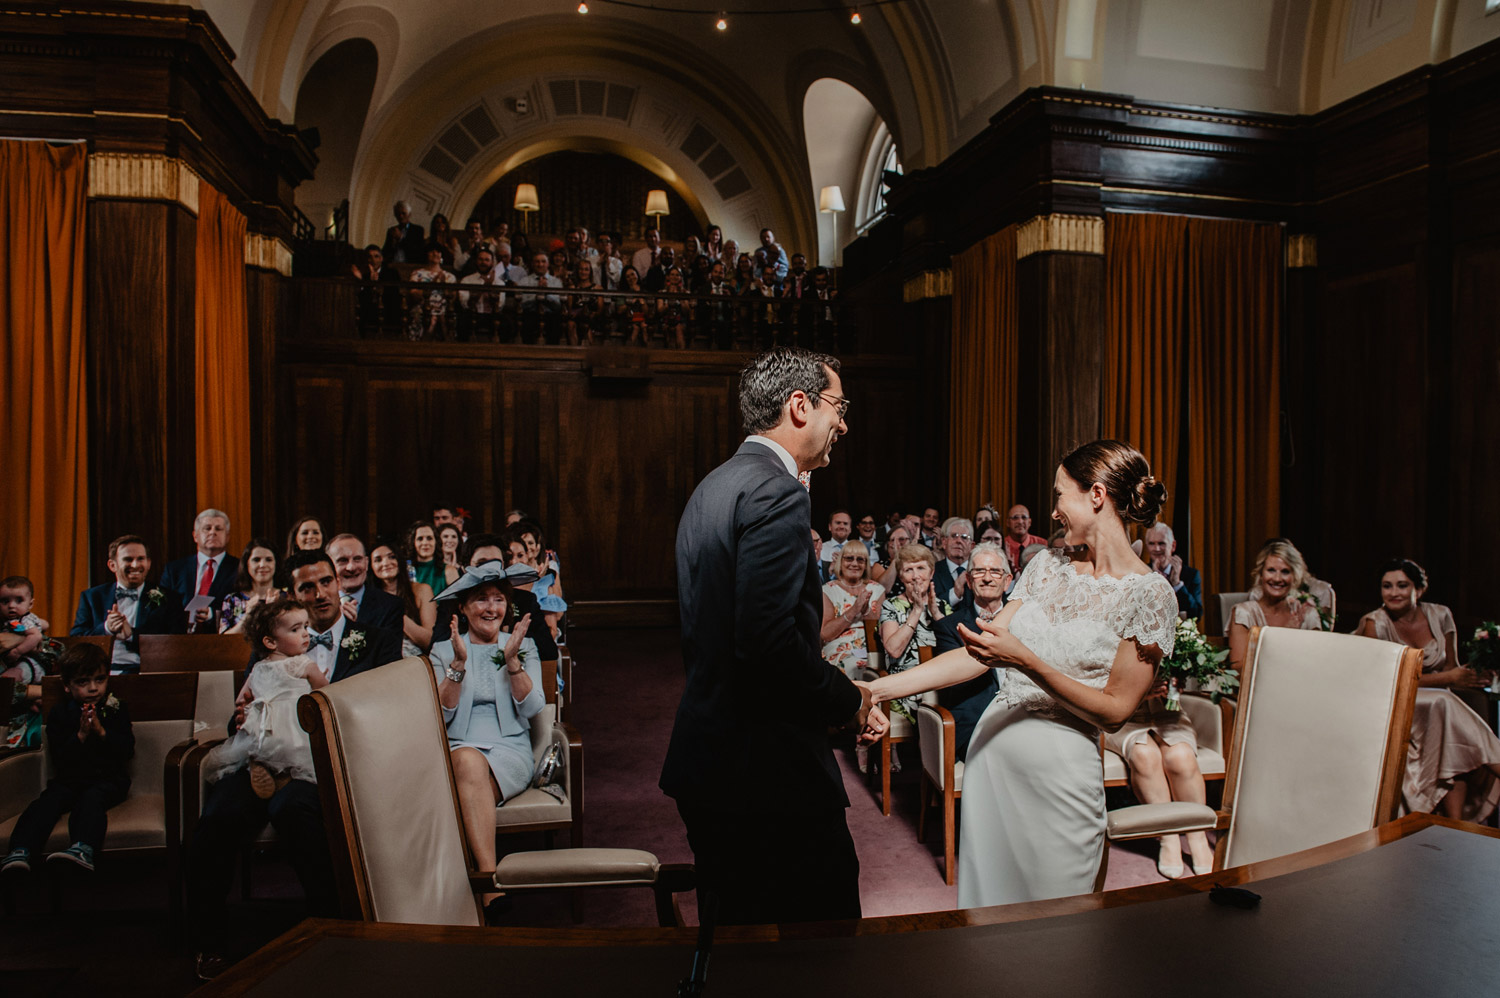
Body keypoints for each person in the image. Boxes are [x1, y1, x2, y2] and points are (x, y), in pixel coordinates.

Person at [869, 440, 1176, 908]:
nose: (1052, 512)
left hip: (1062, 772)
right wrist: (876, 690)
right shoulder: (1046, 568)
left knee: (1062, 921)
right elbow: (979, 653)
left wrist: (1025, 660)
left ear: (1096, 495)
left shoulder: (1149, 595)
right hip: (993, 757)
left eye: (1059, 495)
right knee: (989, 914)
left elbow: (1114, 712)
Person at [661, 346, 886, 926]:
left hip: (711, 753)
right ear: (799, 405)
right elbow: (768, 646)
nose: (844, 421)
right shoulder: (778, 492)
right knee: (820, 945)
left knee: (739, 940)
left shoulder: (714, 486)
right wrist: (850, 698)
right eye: (839, 405)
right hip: (765, 773)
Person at [186, 550, 399, 980]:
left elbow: (385, 709)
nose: (319, 593)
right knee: (218, 815)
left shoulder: (376, 639)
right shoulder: (273, 646)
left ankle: (331, 927)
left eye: (325, 581)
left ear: (339, 582)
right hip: (263, 753)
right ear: (294, 594)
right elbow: (245, 706)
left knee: (292, 809)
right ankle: (208, 942)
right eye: (307, 587)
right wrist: (242, 717)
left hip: (330, 762)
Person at [427, 566, 543, 918]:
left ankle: (480, 889)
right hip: (457, 746)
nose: (491, 608)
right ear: (462, 608)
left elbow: (533, 708)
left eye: (498, 600)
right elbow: (440, 716)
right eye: (481, 600)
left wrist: (512, 662)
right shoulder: (443, 650)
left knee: (466, 773)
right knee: (465, 762)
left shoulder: (525, 646)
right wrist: (458, 665)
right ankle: (490, 887)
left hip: (510, 750)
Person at [1353, 559, 1500, 821]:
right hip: (1392, 700)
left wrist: (1473, 676)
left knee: (1446, 717)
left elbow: (1452, 669)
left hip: (1437, 705)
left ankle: (1453, 826)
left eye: (1402, 585)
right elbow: (1381, 679)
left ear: (1419, 590)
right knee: (1443, 704)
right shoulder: (1374, 623)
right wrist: (1448, 678)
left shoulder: (1440, 615)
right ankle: (1495, 761)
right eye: (1387, 586)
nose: (1393, 592)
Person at [2, 643, 133, 877]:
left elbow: (127, 750)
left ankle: (83, 848)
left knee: (91, 799)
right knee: (46, 803)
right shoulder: (60, 714)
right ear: (66, 685)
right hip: (70, 779)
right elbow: (60, 758)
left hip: (108, 779)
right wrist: (81, 735)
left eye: (99, 679)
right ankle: (20, 850)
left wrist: (102, 733)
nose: (93, 688)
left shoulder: (116, 708)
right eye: (83, 682)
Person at [201, 598, 327, 797]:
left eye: (305, 626)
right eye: (295, 629)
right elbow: (326, 693)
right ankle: (284, 778)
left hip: (262, 727)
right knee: (296, 756)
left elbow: (242, 699)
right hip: (293, 725)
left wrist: (247, 711)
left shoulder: (258, 667)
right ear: (270, 641)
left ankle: (259, 766)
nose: (305, 633)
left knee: (262, 750)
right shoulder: (302, 664)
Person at [931, 543, 1009, 761]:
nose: (987, 578)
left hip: (1026, 717)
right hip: (977, 724)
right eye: (979, 571)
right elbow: (954, 684)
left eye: (995, 571)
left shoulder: (1026, 620)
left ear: (1007, 581)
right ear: (968, 579)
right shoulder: (949, 627)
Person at [71, 535, 186, 673]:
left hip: (147, 672)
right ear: (112, 565)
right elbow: (76, 640)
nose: (135, 565)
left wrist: (131, 635)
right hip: (99, 673)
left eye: (140, 559)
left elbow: (175, 645)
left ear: (148, 563)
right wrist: (107, 628)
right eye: (128, 559)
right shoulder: (92, 597)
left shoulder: (169, 599)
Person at [879, 543, 951, 743]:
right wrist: (917, 611)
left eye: (921, 568)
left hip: (940, 682)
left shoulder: (943, 606)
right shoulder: (891, 605)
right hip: (905, 684)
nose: (916, 576)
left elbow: (957, 650)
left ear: (932, 572)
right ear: (901, 577)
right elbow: (893, 650)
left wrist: (936, 614)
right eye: (909, 570)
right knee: (930, 699)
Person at [1227, 539, 1325, 670]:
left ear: (1294, 576)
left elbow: (1317, 666)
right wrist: (1285, 636)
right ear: (1261, 574)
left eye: (1285, 572)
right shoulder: (1243, 613)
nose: (1277, 579)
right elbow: (1239, 669)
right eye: (1271, 570)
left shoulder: (1308, 615)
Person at [160, 508, 241, 631]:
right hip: (179, 639)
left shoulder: (240, 568)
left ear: (227, 537)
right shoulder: (174, 570)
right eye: (207, 528)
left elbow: (242, 608)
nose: (212, 532)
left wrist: (212, 614)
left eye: (218, 529)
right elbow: (163, 609)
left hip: (221, 639)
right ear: (195, 536)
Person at [820, 543, 884, 680]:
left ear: (866, 564)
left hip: (872, 647)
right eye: (849, 558)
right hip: (841, 648)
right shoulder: (827, 590)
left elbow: (881, 630)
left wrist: (866, 609)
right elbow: (826, 634)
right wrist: (854, 609)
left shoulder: (877, 589)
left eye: (860, 559)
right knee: (855, 665)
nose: (855, 564)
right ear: (840, 562)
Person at [326, 534, 405, 632]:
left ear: (366, 563)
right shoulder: (317, 605)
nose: (351, 567)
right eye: (343, 560)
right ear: (328, 566)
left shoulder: (391, 606)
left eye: (357, 559)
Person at [371, 539, 436, 657]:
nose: (385, 563)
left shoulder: (422, 590)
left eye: (391, 557)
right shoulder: (370, 597)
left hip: (414, 661)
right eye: (378, 560)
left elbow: (429, 641)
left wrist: (395, 612)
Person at [219, 540, 281, 635]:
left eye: (268, 560)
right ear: (246, 564)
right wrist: (247, 616)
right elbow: (224, 641)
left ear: (276, 564)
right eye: (256, 560)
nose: (262, 565)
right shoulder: (232, 600)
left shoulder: (287, 598)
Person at [1143, 522, 1202, 619]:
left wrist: (1177, 584)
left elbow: (1196, 614)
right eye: (1151, 544)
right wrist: (1154, 580)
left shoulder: (1191, 574)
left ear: (1173, 546)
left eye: (1161, 543)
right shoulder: (1141, 573)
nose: (1156, 549)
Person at [406, 246, 456, 341]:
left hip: (443, 307)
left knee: (447, 315)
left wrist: (443, 286)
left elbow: (453, 298)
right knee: (425, 315)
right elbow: (414, 294)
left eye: (438, 251)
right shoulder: (417, 273)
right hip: (423, 305)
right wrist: (433, 284)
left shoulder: (449, 276)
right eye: (431, 251)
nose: (435, 254)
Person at [933, 517, 975, 608]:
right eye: (954, 536)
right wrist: (955, 593)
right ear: (944, 542)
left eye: (964, 537)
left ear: (972, 546)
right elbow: (931, 606)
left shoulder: (979, 571)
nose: (959, 541)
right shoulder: (932, 571)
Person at [406, 520, 452, 593]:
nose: (425, 543)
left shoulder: (449, 571)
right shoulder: (405, 570)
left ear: (436, 541)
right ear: (413, 543)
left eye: (429, 538)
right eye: (420, 539)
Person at [1001, 504, 1047, 576]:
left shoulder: (1042, 544)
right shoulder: (1002, 544)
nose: (1020, 521)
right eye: (1015, 518)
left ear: (1029, 522)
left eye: (1024, 517)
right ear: (1008, 522)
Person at [870, 522, 912, 589]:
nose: (896, 543)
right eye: (892, 540)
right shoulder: (880, 565)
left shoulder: (916, 564)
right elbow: (883, 589)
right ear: (887, 544)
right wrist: (896, 558)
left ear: (910, 542)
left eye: (902, 539)